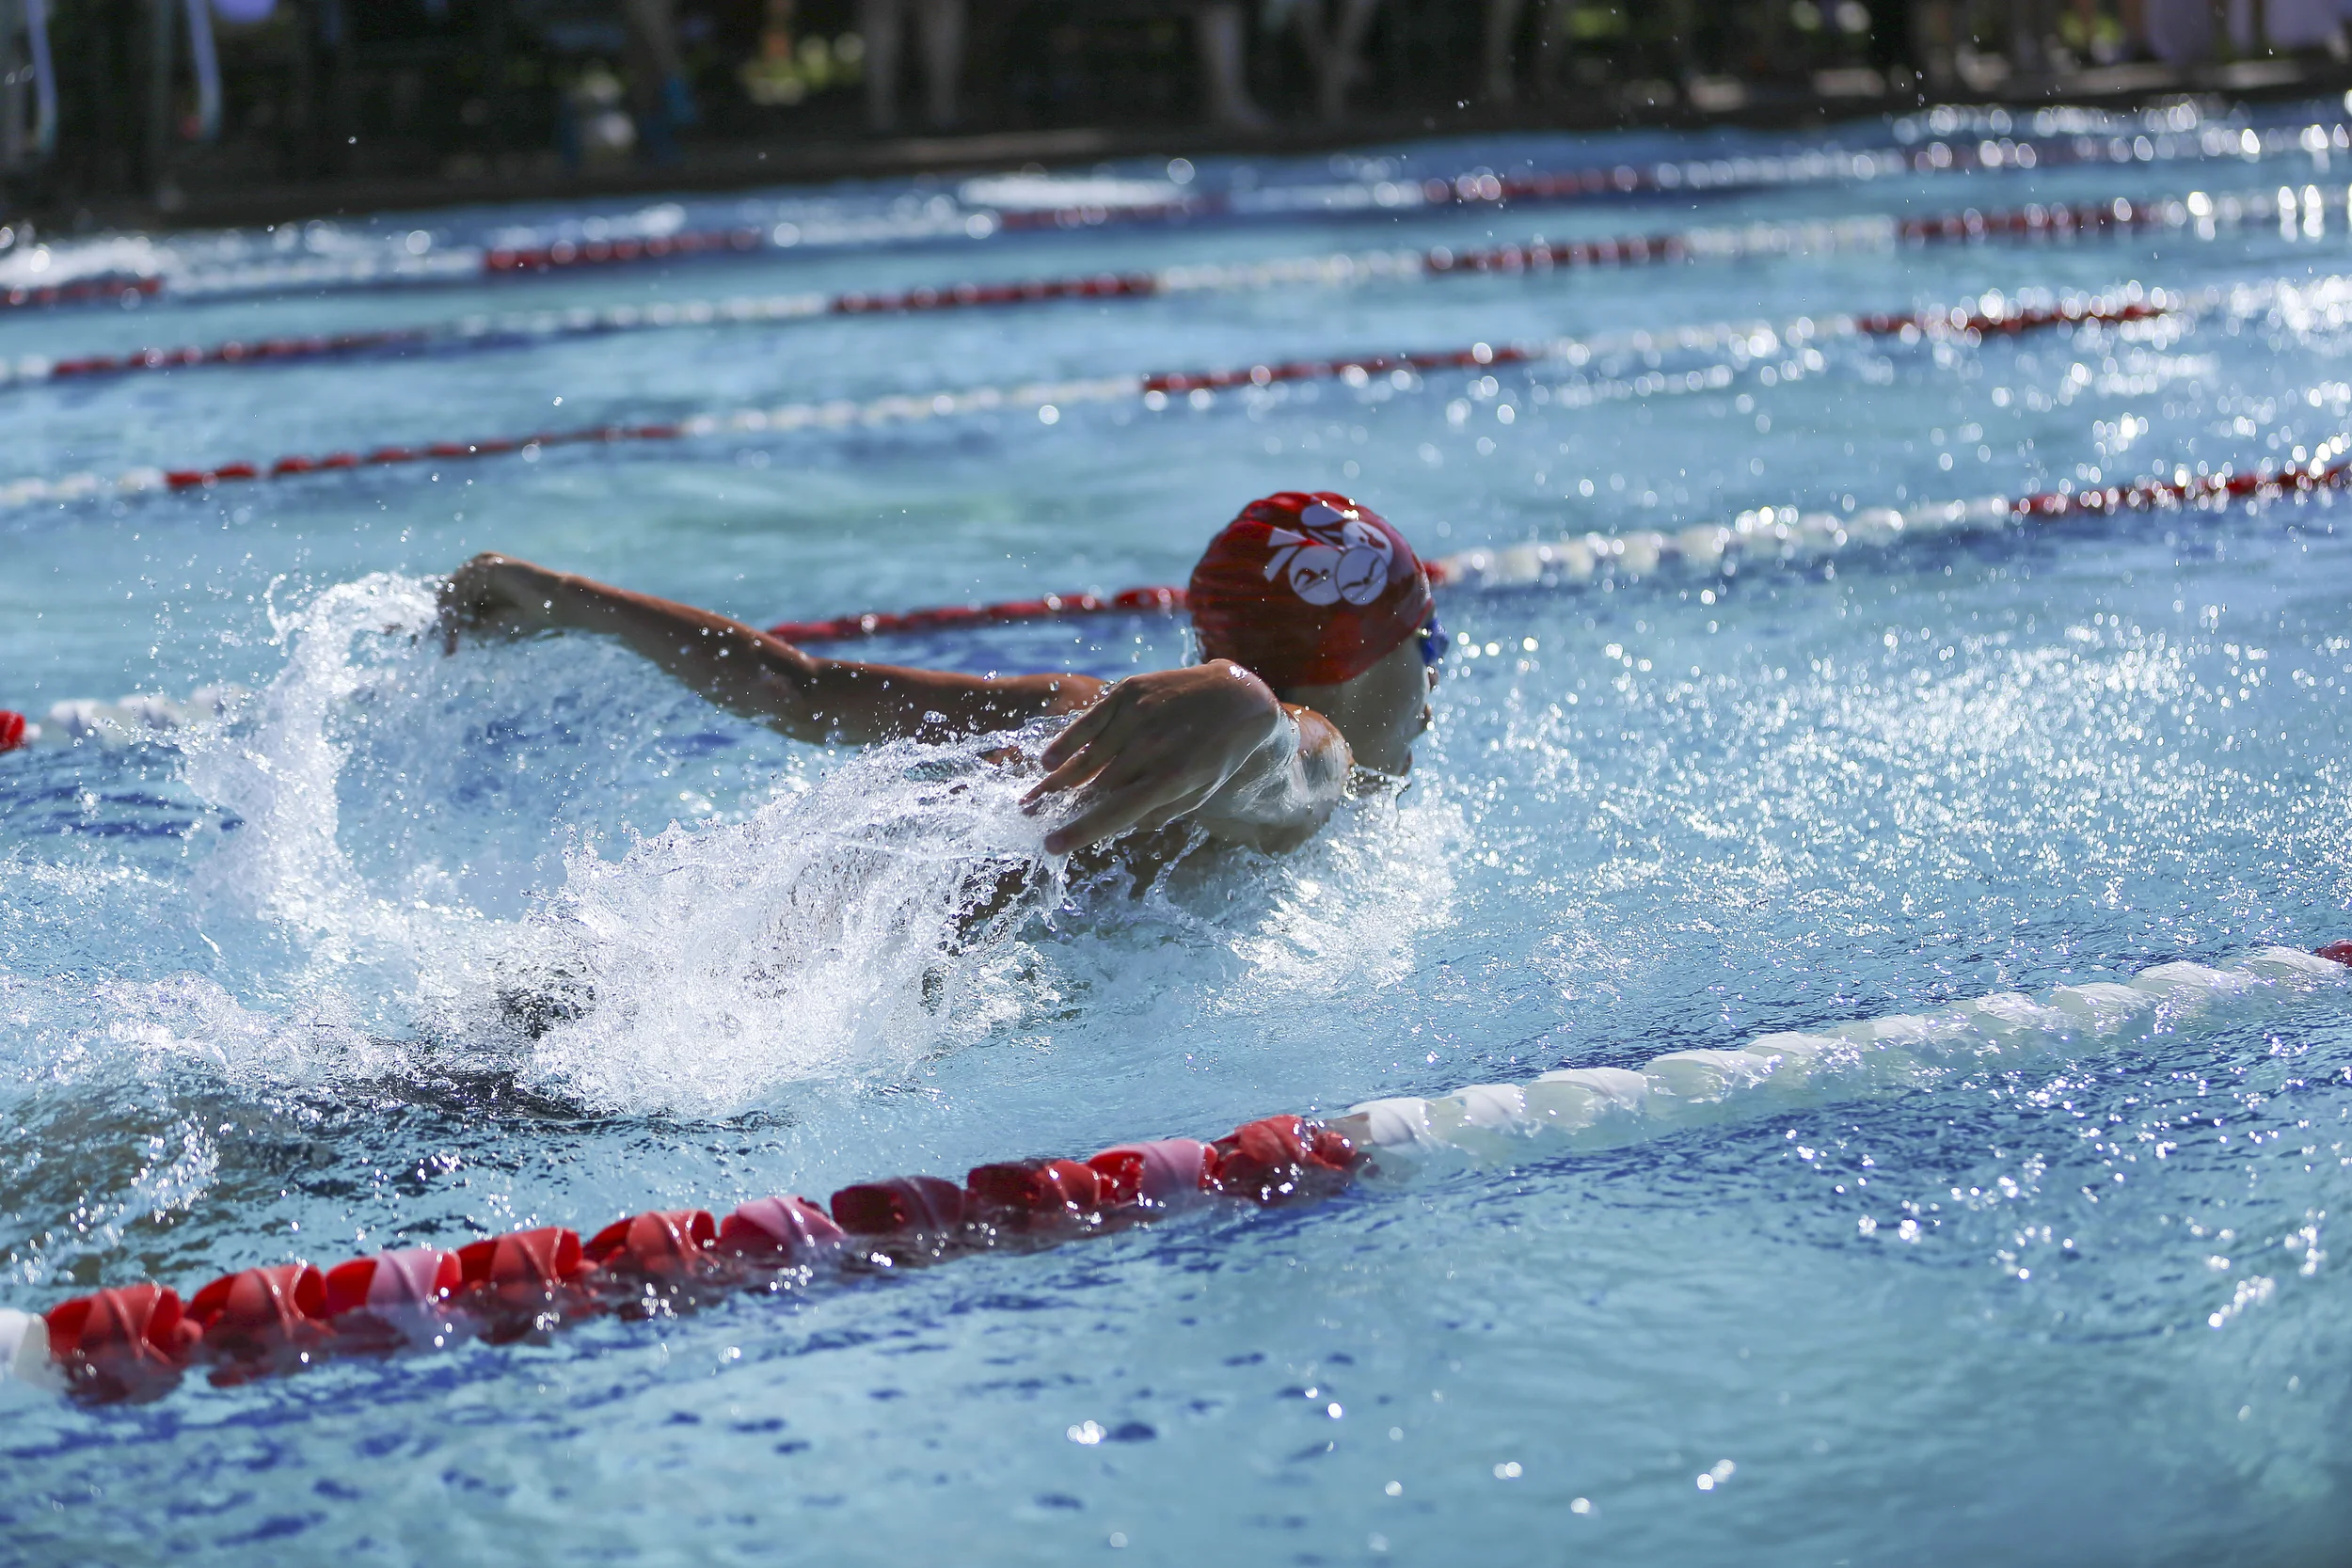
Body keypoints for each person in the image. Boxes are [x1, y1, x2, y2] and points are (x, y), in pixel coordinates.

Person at [437, 491, 1443, 857]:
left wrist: (569, 597)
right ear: (1348, 666)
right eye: (1424, 649)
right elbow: (1298, 775)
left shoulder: (1077, 712)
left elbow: (801, 689)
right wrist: (1246, 716)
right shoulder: (1297, 759)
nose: (1435, 694)